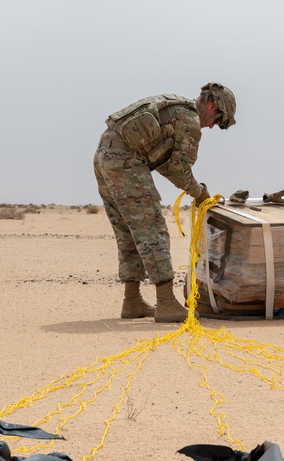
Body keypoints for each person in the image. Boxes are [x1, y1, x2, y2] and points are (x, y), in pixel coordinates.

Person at [94, 82, 236, 322]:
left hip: (103, 155)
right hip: (125, 161)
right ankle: (166, 303)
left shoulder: (174, 108)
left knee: (129, 232)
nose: (212, 126)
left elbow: (164, 163)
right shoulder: (189, 120)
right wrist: (200, 194)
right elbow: (179, 170)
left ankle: (132, 301)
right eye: (217, 119)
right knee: (152, 228)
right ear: (212, 105)